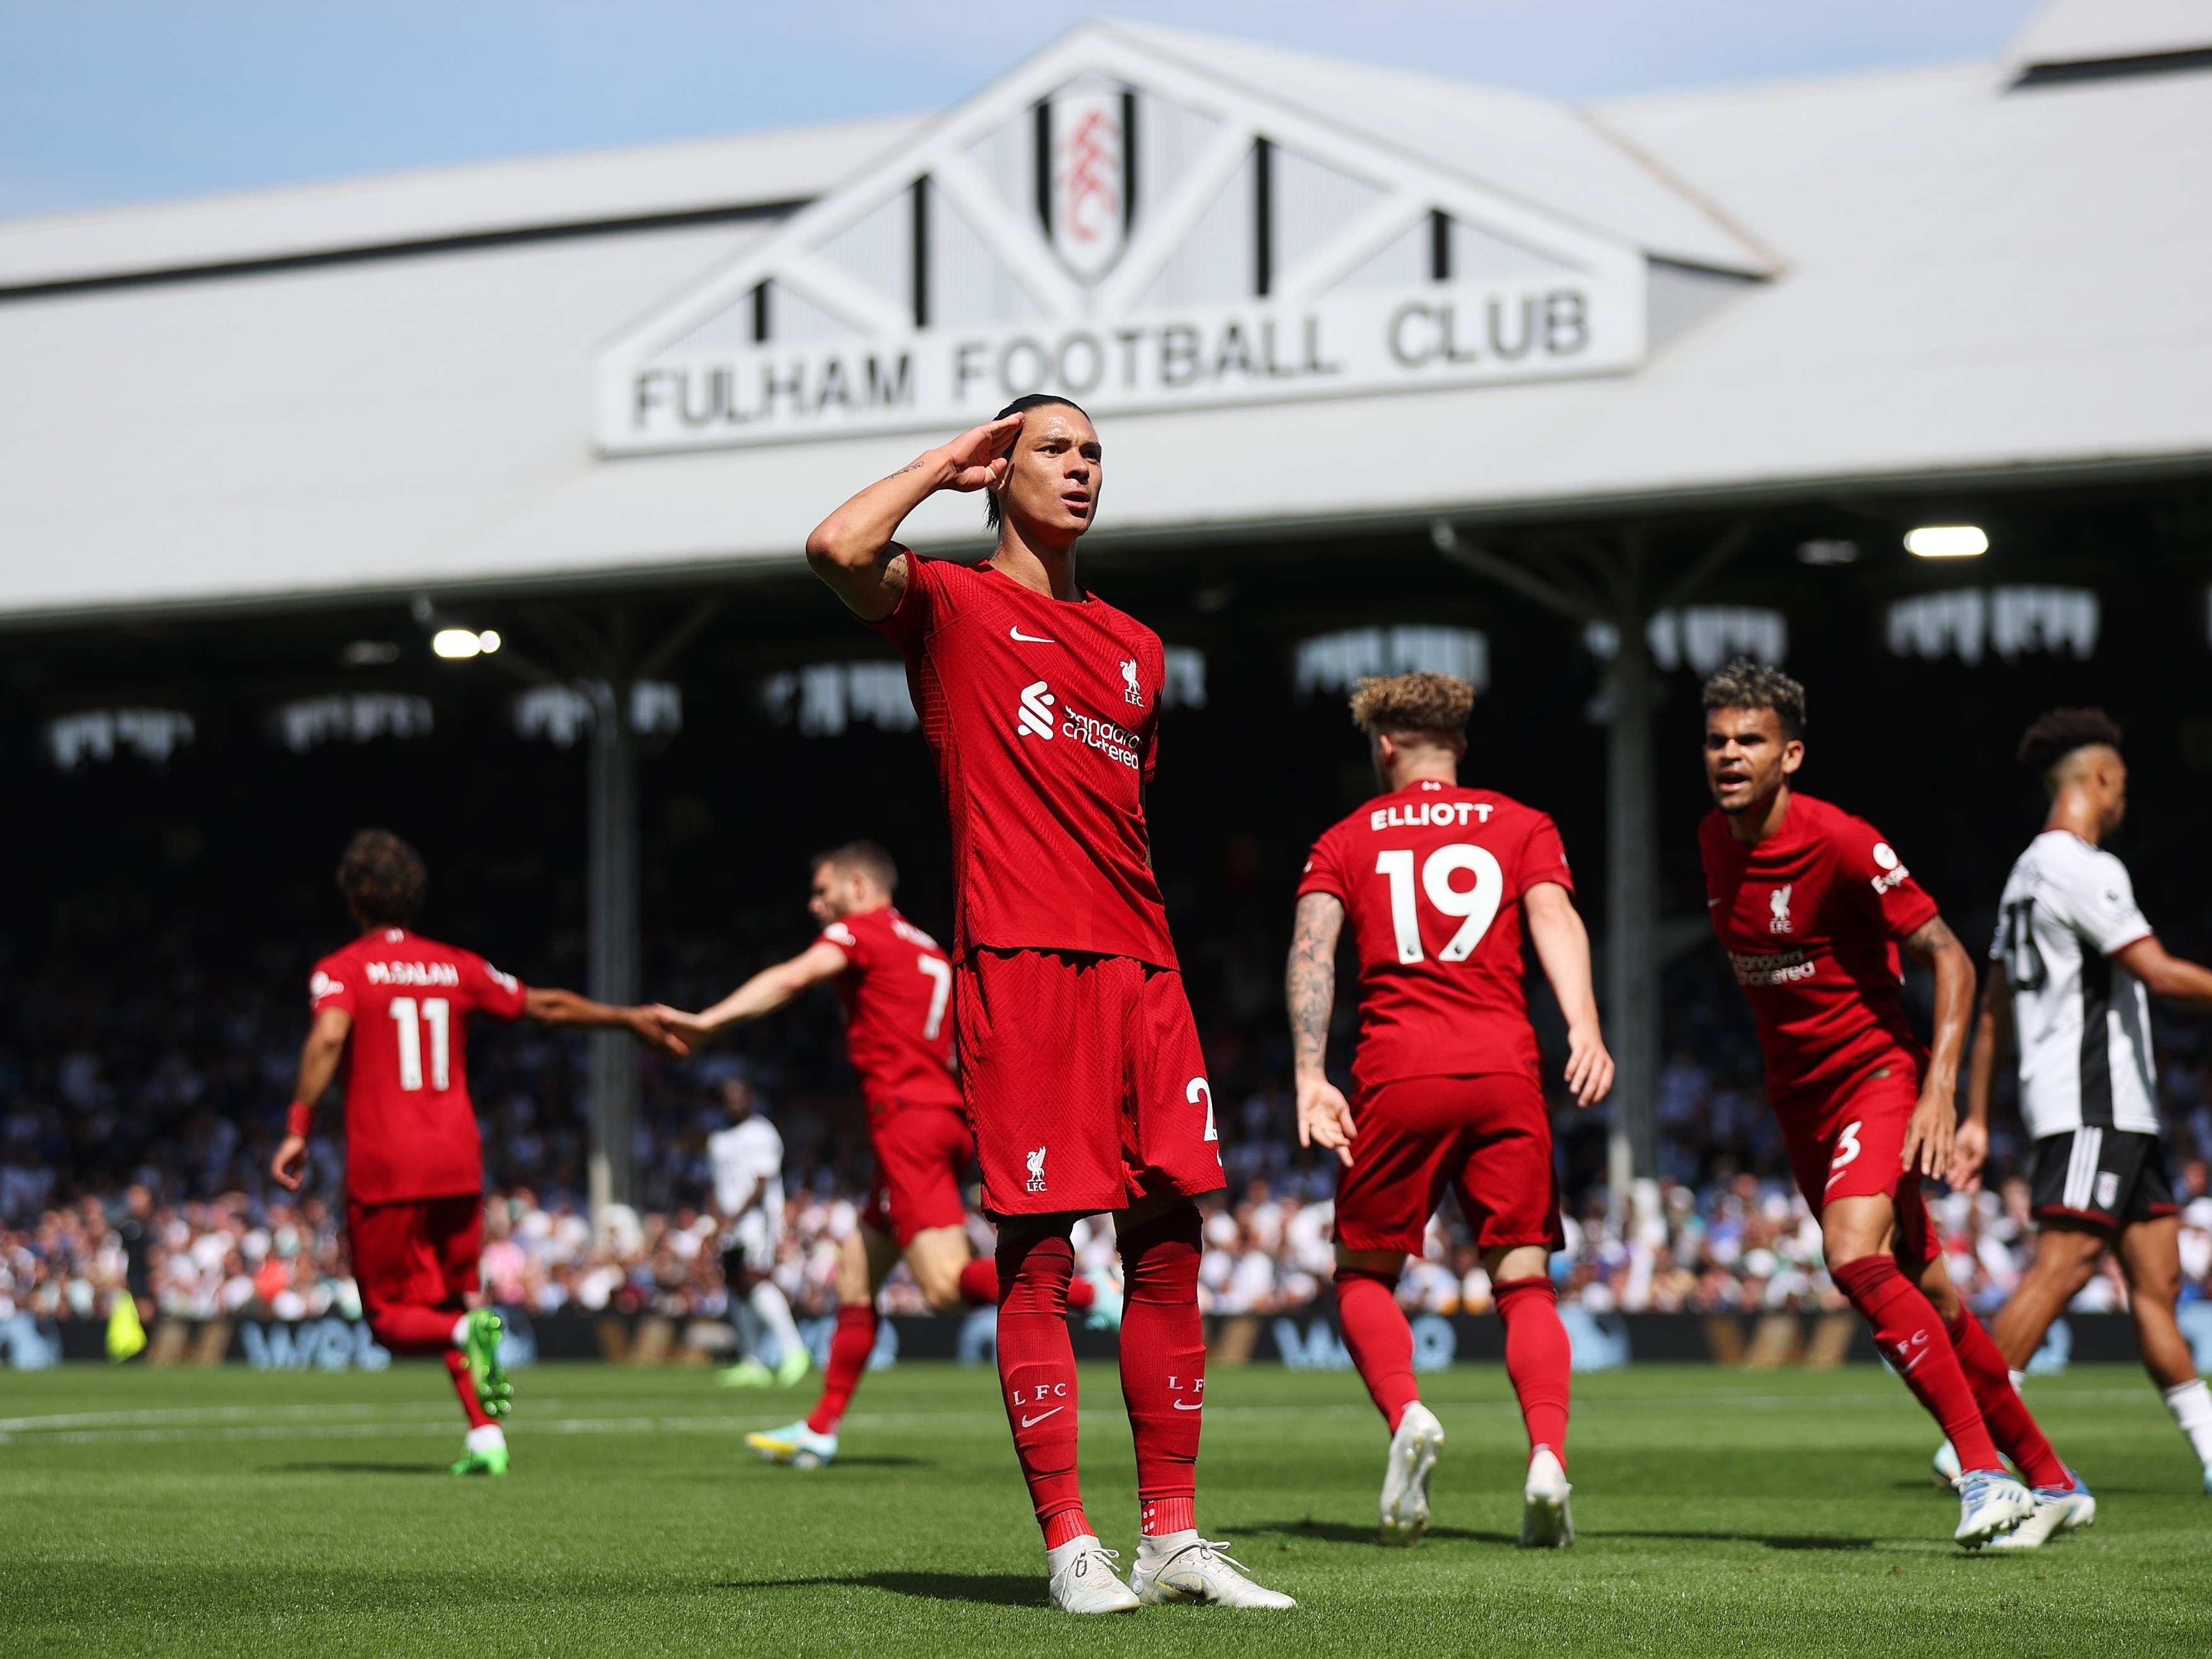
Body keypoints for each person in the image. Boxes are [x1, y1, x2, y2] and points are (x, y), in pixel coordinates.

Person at [803, 397, 1293, 1612]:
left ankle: (1170, 1536)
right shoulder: (954, 606)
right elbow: (835, 549)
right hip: (1020, 964)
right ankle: (1069, 1539)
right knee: (1039, 1249)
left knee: (1170, 1237)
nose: (1079, 471)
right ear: (996, 472)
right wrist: (936, 466)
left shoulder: (1136, 647)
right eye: (1052, 452)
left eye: (1091, 455)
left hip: (1141, 965)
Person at [1696, 660, 2085, 1548]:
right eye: (1717, 739)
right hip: (1798, 1102)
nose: (1729, 754)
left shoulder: (1843, 841)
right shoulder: (1713, 841)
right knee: (1934, 1294)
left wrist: (1937, 1085)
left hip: (1875, 1073)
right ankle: (2054, 1480)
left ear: (1790, 753)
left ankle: (1984, 1474)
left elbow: (1952, 954)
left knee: (1850, 1254)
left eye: (1749, 739)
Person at [658, 842, 1119, 1466]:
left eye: (823, 891)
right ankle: (821, 1427)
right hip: (937, 1119)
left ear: (857, 885)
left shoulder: (861, 932)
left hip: (909, 1126)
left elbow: (793, 976)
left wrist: (710, 1022)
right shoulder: (927, 946)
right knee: (856, 1275)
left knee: (945, 1288)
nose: (815, 904)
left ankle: (1095, 1295)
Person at [1289, 671, 1612, 1549]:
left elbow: (1312, 950)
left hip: (1400, 1069)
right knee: (1524, 1278)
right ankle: (1547, 1455)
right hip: (1507, 1065)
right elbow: (1557, 915)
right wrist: (1583, 1023)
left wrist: (1310, 1073)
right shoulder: (1520, 823)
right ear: (1459, 745)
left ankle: (1407, 1415)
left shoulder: (1344, 838)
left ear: (1384, 745)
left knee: (1362, 1273)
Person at [271, 829, 684, 1476]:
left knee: (390, 1319)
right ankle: (486, 1435)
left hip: (388, 1166)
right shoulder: (457, 965)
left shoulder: (341, 969)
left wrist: (297, 1126)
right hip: (458, 1163)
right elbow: (542, 1006)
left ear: (354, 902)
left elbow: (327, 1038)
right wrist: (626, 1018)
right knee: (453, 1301)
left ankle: (469, 1339)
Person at [1949, 708, 2212, 1494]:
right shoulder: (2083, 867)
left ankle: (2207, 1448)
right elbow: (2161, 975)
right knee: (2062, 1267)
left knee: (2155, 1283)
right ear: (2099, 779)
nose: (2124, 798)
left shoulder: (2023, 876)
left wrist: (1977, 1113)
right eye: (2122, 784)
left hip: (2119, 1112)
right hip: (2091, 1103)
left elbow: (1992, 1005)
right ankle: (1968, 1443)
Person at [704, 1073, 811, 1390]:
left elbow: (761, 1183)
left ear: (750, 1098)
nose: (733, 1102)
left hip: (756, 1221)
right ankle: (752, 1361)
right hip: (729, 1222)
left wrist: (731, 1218)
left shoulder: (761, 1133)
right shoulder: (718, 1139)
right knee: (735, 1285)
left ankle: (794, 1350)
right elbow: (717, 1185)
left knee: (754, 1280)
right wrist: (715, 1221)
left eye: (739, 1096)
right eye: (728, 1097)